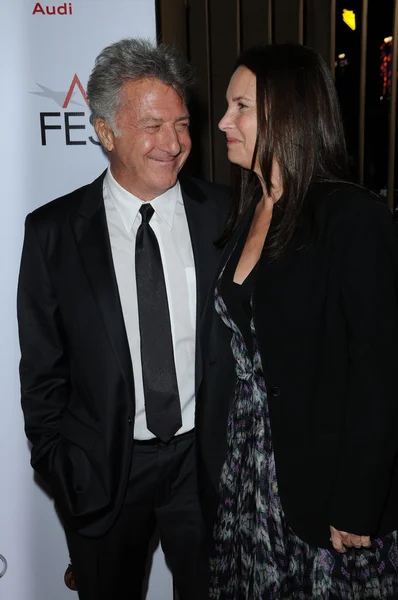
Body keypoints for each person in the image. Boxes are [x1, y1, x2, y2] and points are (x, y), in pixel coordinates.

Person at [17, 38, 230, 600]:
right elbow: (42, 371)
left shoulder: (227, 215)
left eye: (182, 124)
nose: (175, 143)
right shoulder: (52, 234)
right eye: (153, 126)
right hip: (104, 472)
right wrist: (63, 467)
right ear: (106, 132)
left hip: (205, 467)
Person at [196, 43, 398, 599]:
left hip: (325, 486)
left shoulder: (353, 219)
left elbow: (379, 373)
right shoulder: (248, 209)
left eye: (240, 107)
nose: (221, 122)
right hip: (247, 477)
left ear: (288, 114)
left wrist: (359, 500)